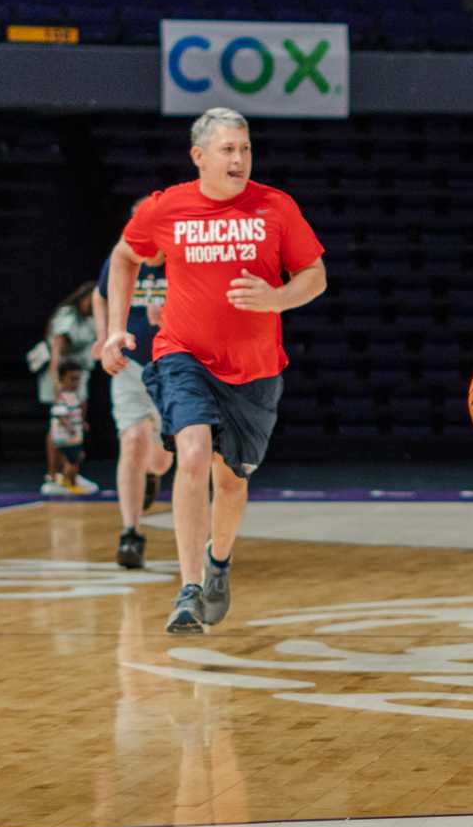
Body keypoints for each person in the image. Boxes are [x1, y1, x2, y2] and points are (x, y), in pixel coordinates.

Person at [100, 107, 326, 632]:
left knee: (232, 482)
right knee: (194, 451)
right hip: (183, 354)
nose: (240, 158)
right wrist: (115, 327)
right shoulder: (167, 208)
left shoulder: (276, 206)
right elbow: (123, 257)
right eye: (228, 149)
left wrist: (276, 298)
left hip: (254, 369)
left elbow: (315, 275)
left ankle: (218, 560)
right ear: (199, 156)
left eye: (245, 149)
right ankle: (189, 586)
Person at [93, 206, 175, 567]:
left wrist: (169, 317)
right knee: (131, 439)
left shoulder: (181, 259)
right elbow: (100, 294)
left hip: (173, 364)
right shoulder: (123, 254)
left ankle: (152, 472)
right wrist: (104, 334)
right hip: (130, 364)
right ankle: (130, 533)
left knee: (162, 455)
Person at [37, 283, 100, 496]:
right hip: (63, 377)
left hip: (79, 378)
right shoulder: (68, 316)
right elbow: (56, 353)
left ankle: (70, 473)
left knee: (76, 424)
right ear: (83, 297)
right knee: (58, 426)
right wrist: (58, 387)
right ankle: (52, 475)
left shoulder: (94, 317)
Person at [42, 364, 89, 495]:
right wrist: (69, 426)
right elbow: (59, 413)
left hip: (73, 437)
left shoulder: (73, 396)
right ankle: (67, 482)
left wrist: (81, 422)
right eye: (72, 379)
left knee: (75, 459)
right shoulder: (62, 397)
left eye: (78, 379)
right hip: (65, 437)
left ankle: (67, 481)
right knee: (74, 459)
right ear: (62, 379)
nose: (76, 383)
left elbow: (75, 413)